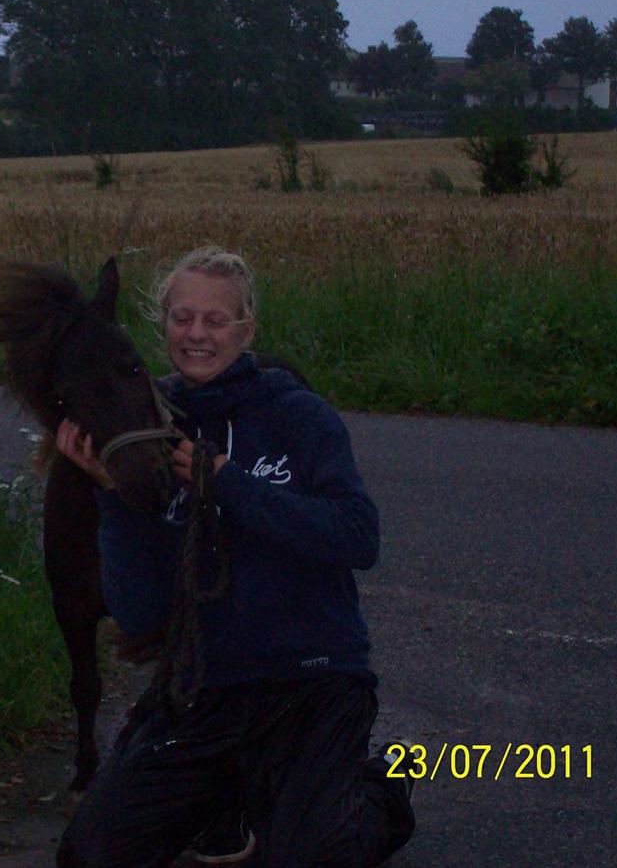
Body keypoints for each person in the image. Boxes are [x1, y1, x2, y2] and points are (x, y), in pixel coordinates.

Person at [53, 247, 415, 867]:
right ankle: (225, 795)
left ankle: (381, 788)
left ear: (246, 330)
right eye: (182, 317)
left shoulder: (298, 416)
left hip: (312, 680)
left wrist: (229, 485)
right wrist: (114, 499)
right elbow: (139, 614)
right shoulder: (148, 429)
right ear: (162, 324)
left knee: (308, 855)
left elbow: (358, 537)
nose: (196, 334)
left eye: (216, 320)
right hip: (206, 692)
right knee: (90, 854)